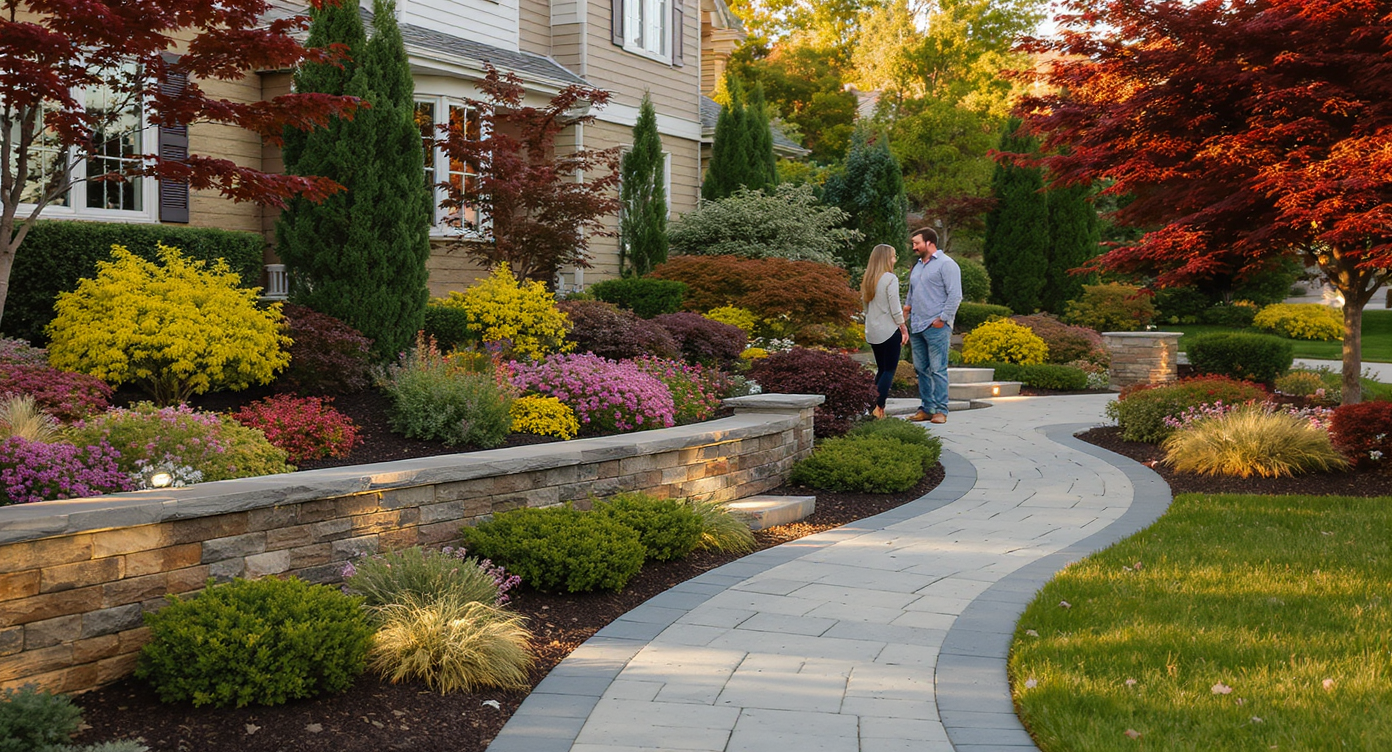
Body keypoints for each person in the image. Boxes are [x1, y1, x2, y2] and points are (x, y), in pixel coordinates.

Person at [903, 227, 962, 424]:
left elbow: (955, 295)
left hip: (936, 326)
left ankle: (941, 411)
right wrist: (906, 310)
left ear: (930, 242)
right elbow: (912, 291)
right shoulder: (918, 265)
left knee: (938, 369)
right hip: (917, 325)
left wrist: (943, 319)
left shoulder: (947, 265)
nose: (914, 247)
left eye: (917, 243)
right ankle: (927, 408)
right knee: (921, 369)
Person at [862, 244, 909, 419]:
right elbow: (895, 308)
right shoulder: (890, 279)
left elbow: (865, 308)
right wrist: (903, 327)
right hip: (889, 330)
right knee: (889, 370)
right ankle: (878, 408)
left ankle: (871, 405)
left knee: (881, 370)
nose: (895, 260)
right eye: (893, 256)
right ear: (885, 258)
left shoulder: (868, 279)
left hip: (873, 331)